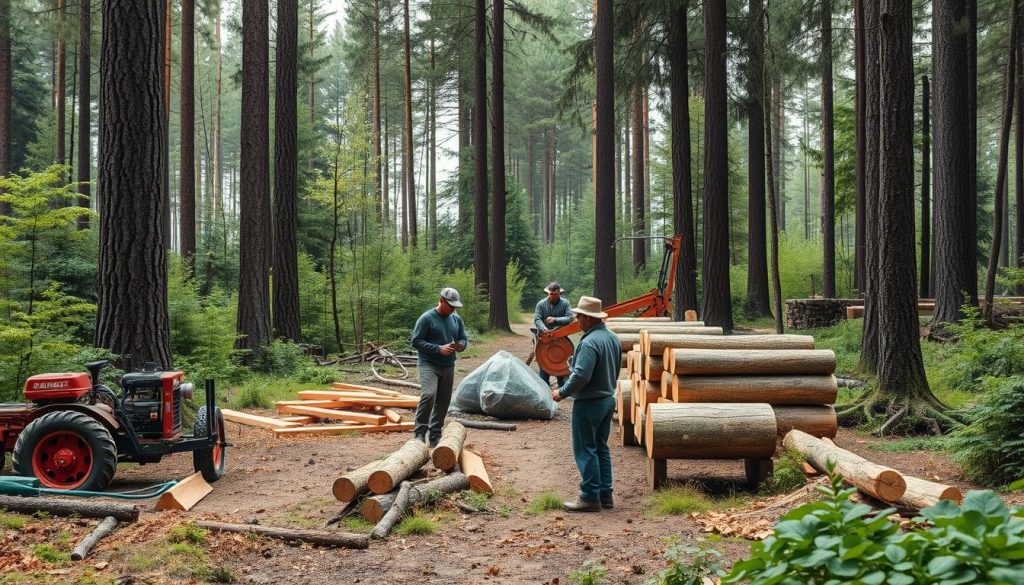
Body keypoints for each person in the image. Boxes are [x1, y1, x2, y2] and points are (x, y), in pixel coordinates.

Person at [551, 296, 620, 512]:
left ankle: (590, 497)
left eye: (579, 316)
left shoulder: (590, 342)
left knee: (586, 449)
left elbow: (581, 376)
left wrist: (561, 392)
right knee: (601, 447)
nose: (577, 320)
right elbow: (614, 369)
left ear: (589, 318)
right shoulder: (612, 338)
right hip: (607, 399)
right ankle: (605, 495)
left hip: (589, 404)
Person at [411, 287, 469, 447]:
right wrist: (438, 348)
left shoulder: (456, 319)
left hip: (448, 364)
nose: (453, 309)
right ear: (442, 301)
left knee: (444, 401)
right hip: (428, 364)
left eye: (455, 306)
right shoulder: (427, 318)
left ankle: (435, 435)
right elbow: (415, 341)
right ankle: (420, 433)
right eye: (450, 306)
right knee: (429, 394)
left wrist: (461, 345)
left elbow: (463, 338)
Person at [533, 282, 574, 386]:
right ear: (548, 293)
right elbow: (537, 319)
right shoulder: (541, 304)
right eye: (550, 294)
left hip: (560, 338)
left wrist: (555, 319)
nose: (552, 296)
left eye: (555, 294)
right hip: (544, 338)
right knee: (543, 362)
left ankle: (561, 386)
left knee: (561, 360)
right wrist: (544, 328)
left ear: (559, 293)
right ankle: (544, 386)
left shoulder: (565, 303)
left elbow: (570, 318)